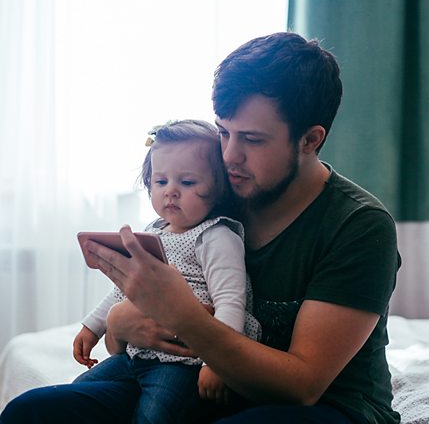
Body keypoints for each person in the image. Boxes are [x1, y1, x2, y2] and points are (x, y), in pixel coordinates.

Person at [1, 31, 401, 424]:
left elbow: (302, 386)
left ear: (310, 139)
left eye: (252, 140)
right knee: (30, 411)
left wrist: (182, 316)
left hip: (325, 407)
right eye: (223, 132)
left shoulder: (358, 226)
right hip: (196, 383)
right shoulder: (214, 195)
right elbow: (121, 339)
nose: (229, 155)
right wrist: (120, 324)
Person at [0, 119, 260, 424]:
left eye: (187, 183)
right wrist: (92, 328)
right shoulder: (154, 234)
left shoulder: (216, 236)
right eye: (161, 182)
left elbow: (231, 301)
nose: (171, 192)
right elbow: (123, 288)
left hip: (183, 362)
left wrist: (218, 364)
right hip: (138, 353)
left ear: (218, 188)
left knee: (154, 415)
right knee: (79, 390)